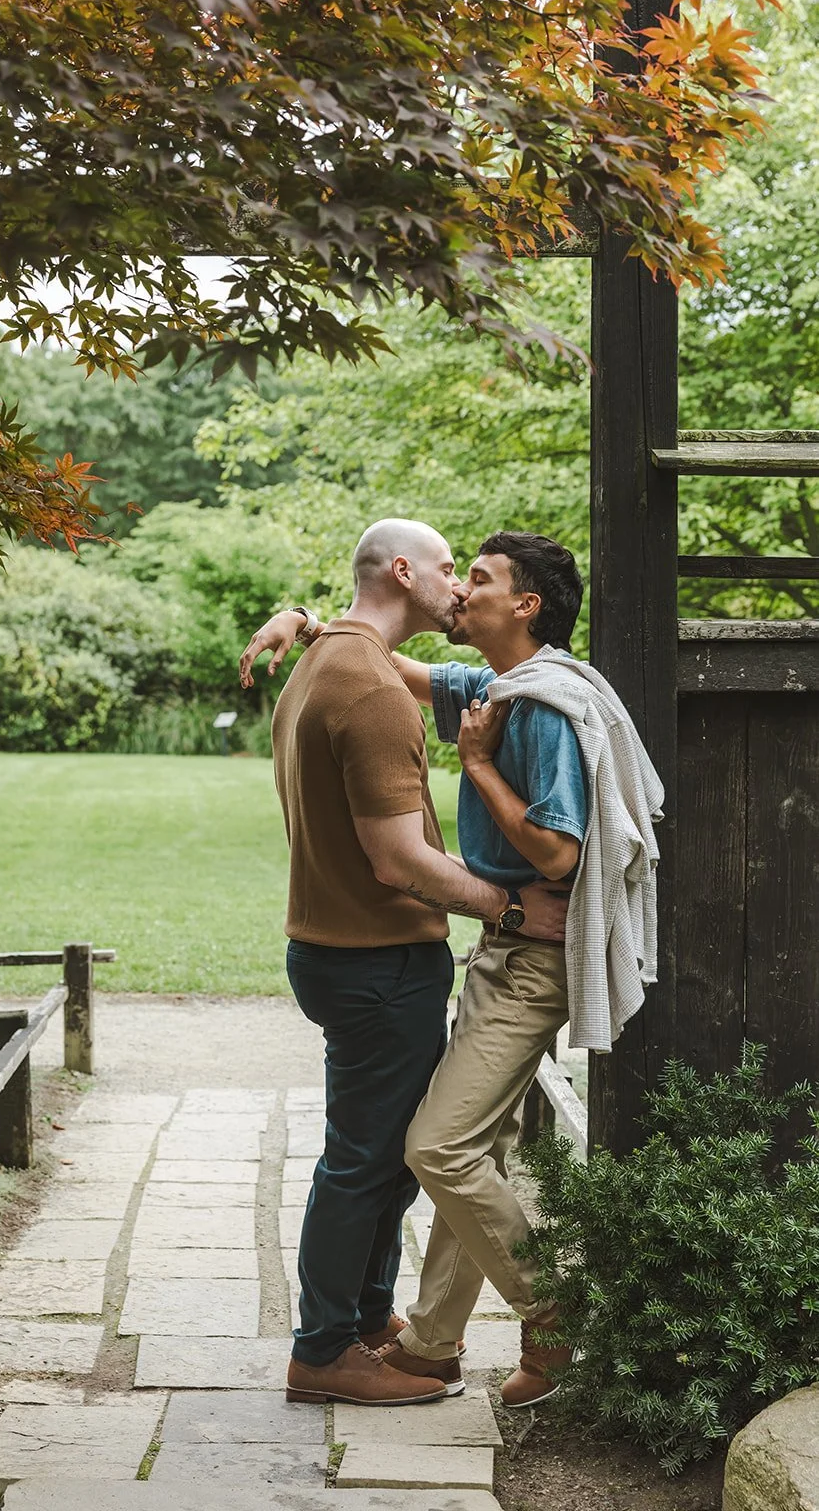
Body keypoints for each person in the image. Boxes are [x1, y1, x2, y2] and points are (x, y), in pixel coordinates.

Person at [243, 529, 662, 1407]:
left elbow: (554, 853)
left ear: (524, 606)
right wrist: (305, 618)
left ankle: (551, 1316)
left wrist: (473, 766)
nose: (460, 589)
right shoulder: (495, 686)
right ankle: (431, 1343)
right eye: (452, 572)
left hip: (531, 955)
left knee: (439, 1147)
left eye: (477, 578)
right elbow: (382, 661)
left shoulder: (538, 709)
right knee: (472, 1149)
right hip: (496, 947)